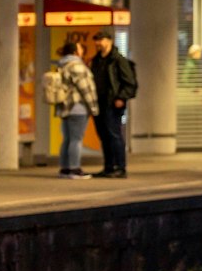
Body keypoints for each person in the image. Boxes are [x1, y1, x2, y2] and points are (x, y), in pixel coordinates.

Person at [88, 31, 137, 178]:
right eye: (96, 40)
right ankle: (108, 166)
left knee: (114, 134)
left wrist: (121, 97)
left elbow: (129, 82)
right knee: (104, 135)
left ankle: (120, 167)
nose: (98, 43)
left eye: (100, 40)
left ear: (109, 41)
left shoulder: (118, 60)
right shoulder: (96, 60)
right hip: (99, 103)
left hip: (113, 103)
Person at [50, 41, 98, 179]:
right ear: (75, 52)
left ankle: (65, 168)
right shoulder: (77, 66)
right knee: (76, 139)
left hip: (64, 107)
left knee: (67, 139)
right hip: (78, 107)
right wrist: (93, 107)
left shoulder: (62, 64)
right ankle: (74, 168)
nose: (82, 50)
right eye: (80, 48)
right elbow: (86, 88)